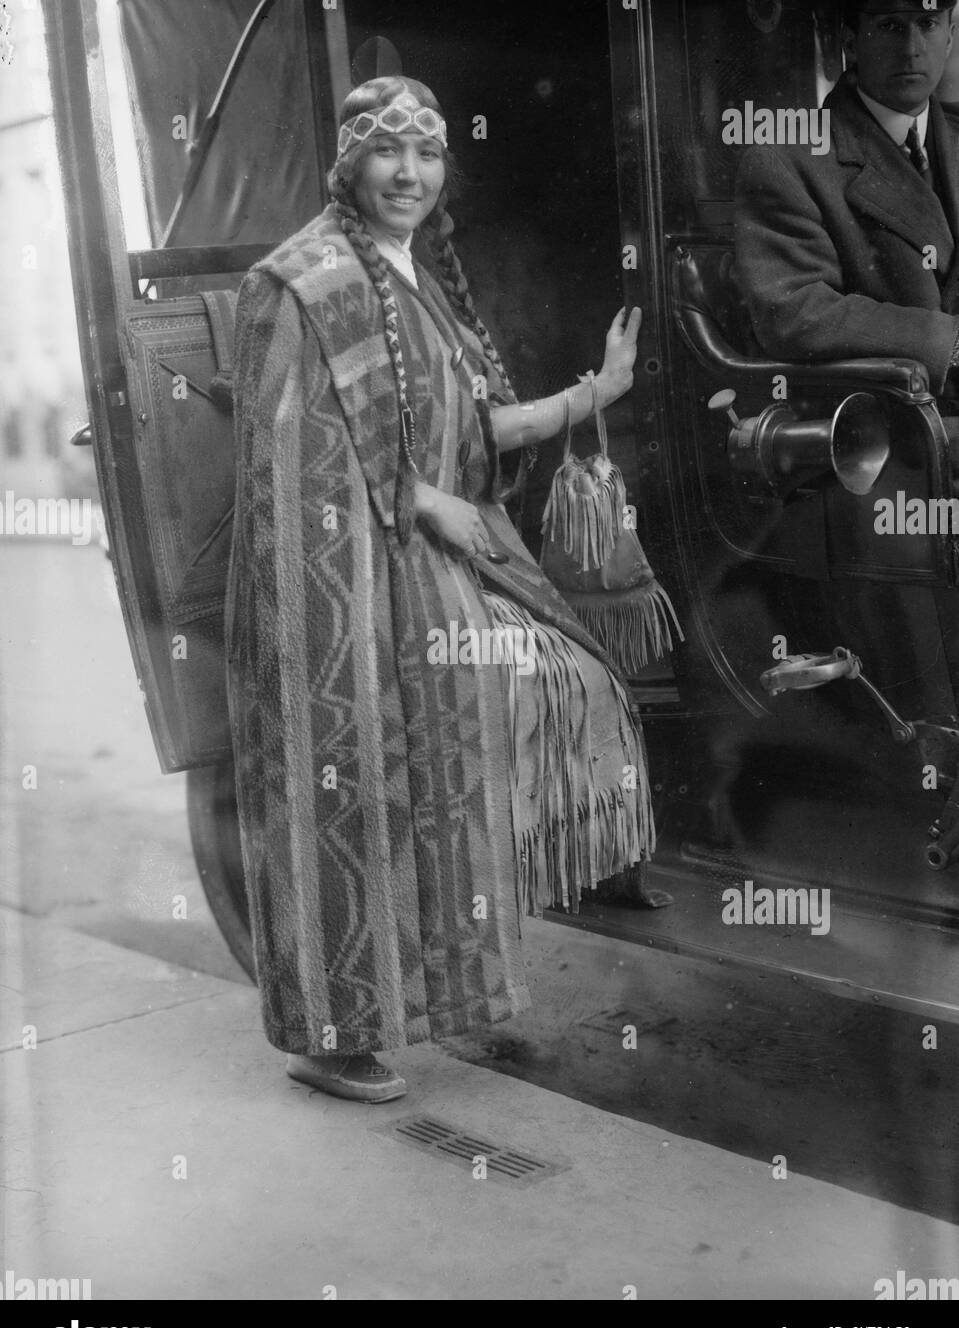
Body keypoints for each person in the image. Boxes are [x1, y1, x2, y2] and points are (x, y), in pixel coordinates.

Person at [224, 76, 668, 1105]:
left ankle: (466, 955)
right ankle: (333, 1033)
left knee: (584, 681)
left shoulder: (414, 275)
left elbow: (477, 428)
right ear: (350, 164)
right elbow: (296, 466)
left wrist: (591, 395)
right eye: (388, 154)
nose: (410, 175)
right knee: (397, 749)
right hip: (351, 578)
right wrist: (426, 501)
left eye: (426, 155)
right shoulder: (302, 283)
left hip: (426, 557)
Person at [735, 0, 959, 397]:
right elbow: (795, 312)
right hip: (886, 430)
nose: (912, 47)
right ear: (851, 42)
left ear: (949, 38)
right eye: (890, 25)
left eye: (927, 23)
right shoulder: (787, 158)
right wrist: (952, 344)